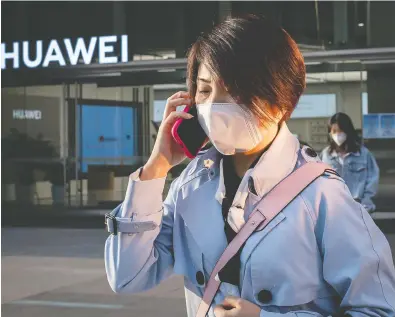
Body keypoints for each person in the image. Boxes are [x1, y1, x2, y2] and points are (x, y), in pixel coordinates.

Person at [104, 15, 395, 317]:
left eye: (236, 91)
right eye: (204, 91)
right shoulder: (190, 186)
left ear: (282, 98)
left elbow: (377, 310)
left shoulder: (324, 196)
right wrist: (156, 168)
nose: (214, 105)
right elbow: (128, 277)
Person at [321, 112, 380, 213]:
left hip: (359, 208)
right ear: (330, 133)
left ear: (348, 131)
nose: (337, 134)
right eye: (334, 131)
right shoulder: (326, 155)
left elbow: (372, 179)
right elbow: (319, 182)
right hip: (334, 210)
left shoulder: (363, 154)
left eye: (341, 130)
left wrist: (366, 202)